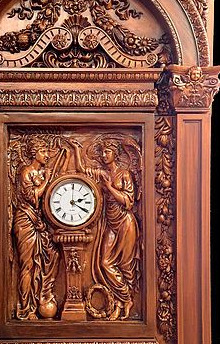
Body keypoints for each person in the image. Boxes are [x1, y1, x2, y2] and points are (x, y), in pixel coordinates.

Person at [70, 135, 141, 320]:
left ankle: (122, 303)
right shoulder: (102, 173)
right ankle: (124, 297)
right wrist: (77, 150)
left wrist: (109, 188)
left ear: (115, 154)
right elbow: (82, 169)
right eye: (102, 151)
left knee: (125, 266)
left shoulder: (124, 174)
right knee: (106, 262)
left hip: (125, 223)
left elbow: (129, 201)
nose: (103, 155)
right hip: (110, 222)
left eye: (107, 151)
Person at [13, 136, 67, 320]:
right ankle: (26, 308)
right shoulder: (26, 172)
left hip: (38, 223)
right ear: (33, 153)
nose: (46, 155)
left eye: (46, 151)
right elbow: (33, 197)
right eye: (43, 151)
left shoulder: (42, 172)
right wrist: (47, 180)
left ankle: (44, 294)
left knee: (53, 255)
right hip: (25, 221)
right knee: (28, 265)